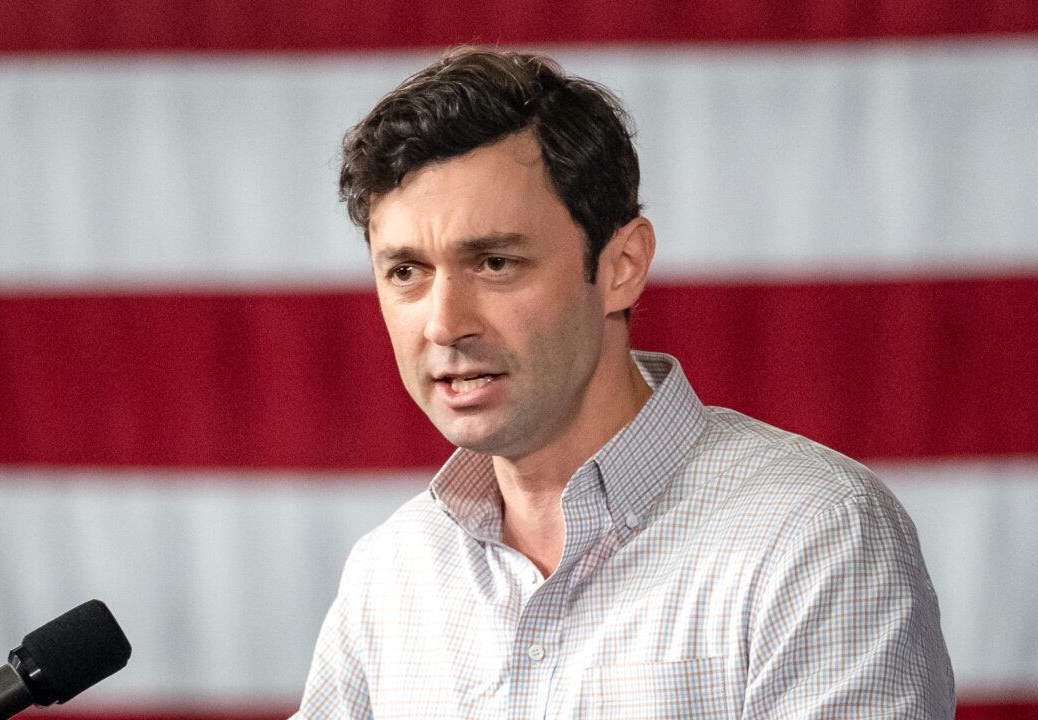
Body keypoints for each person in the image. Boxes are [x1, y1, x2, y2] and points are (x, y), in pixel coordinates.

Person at [292, 47, 954, 719]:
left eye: (495, 262)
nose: (443, 324)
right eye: (406, 271)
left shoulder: (815, 537)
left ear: (622, 266)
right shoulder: (391, 573)